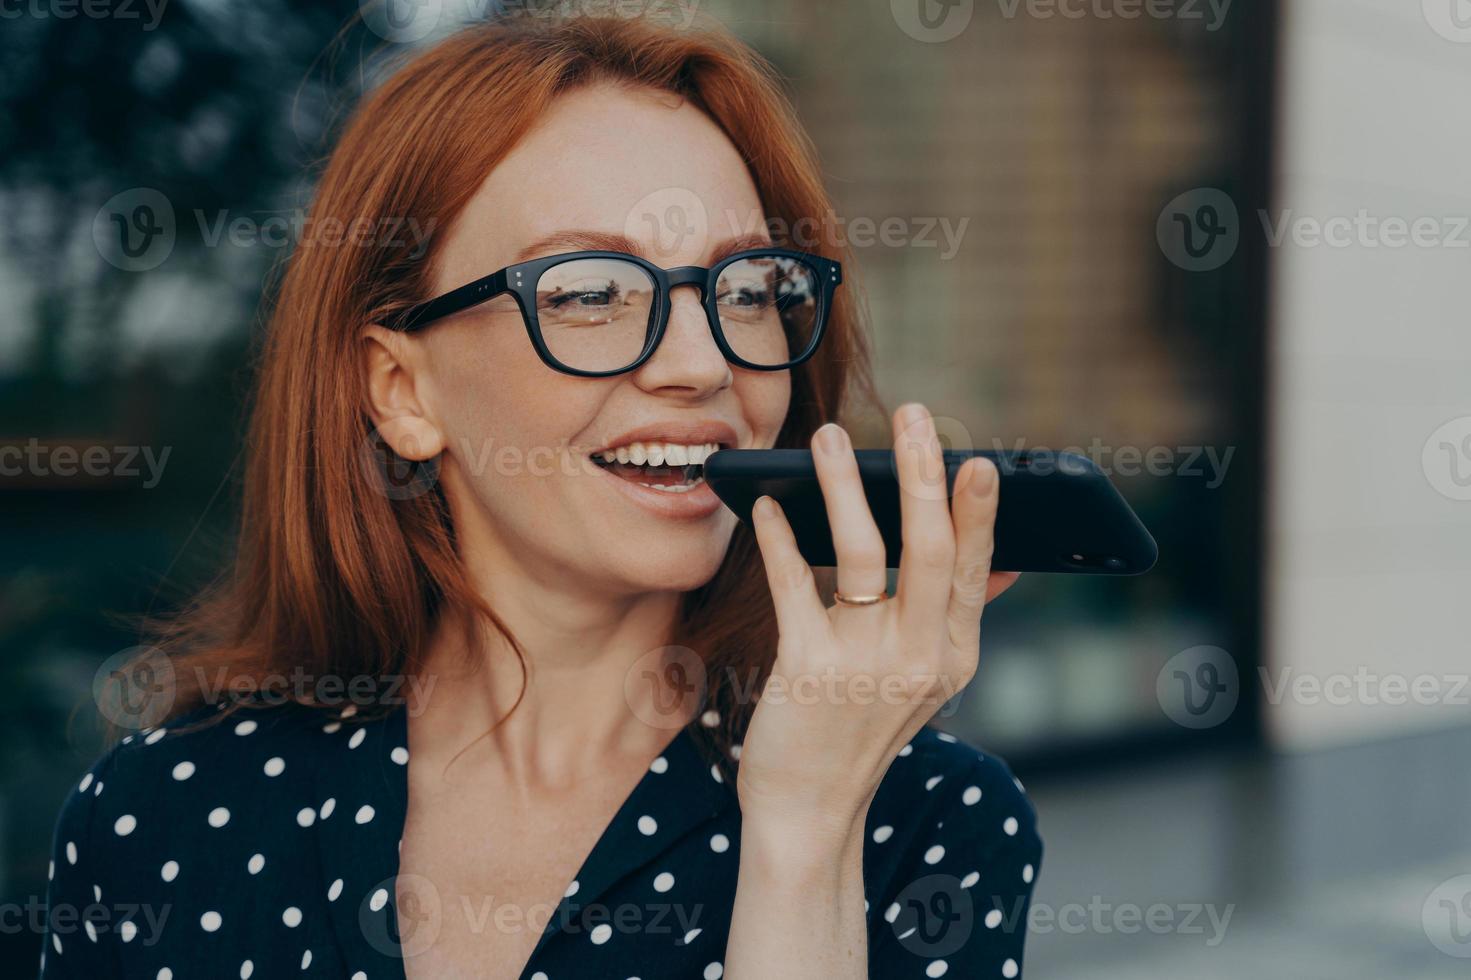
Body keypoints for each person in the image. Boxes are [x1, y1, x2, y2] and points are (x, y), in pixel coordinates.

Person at [43, 11, 1040, 979]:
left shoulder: (927, 818)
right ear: (402, 391)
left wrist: (808, 827)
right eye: (591, 292)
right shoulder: (162, 813)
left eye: (746, 288)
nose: (701, 363)